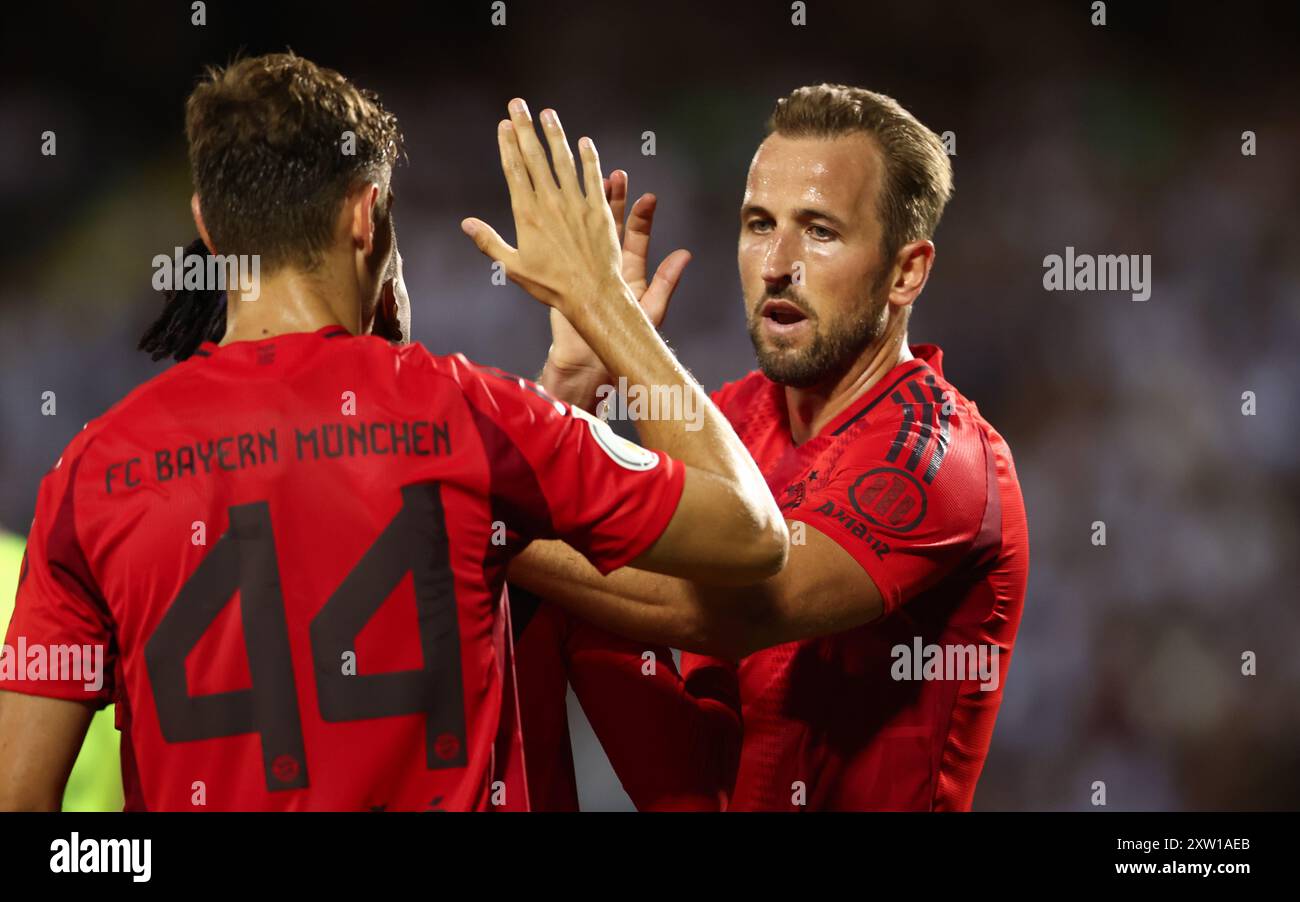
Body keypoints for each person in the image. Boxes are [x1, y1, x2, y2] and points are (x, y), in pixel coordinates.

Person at [0, 53, 787, 811]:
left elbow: (19, 796)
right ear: (365, 213)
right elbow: (753, 535)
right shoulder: (471, 415)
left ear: (208, 224)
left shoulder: (95, 469)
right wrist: (603, 307)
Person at [510, 83, 1030, 811]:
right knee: (529, 581)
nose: (776, 262)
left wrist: (476, 522)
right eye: (760, 224)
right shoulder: (729, 419)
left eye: (820, 231)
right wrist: (575, 372)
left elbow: (737, 613)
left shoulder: (941, 457)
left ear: (906, 272)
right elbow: (547, 514)